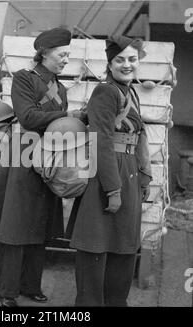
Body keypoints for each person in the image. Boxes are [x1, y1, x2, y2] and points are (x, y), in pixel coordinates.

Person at [0, 27, 86, 307]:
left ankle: (30, 286)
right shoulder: (24, 79)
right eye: (62, 54)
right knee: (15, 227)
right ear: (45, 54)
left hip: (50, 158)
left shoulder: (61, 88)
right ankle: (6, 292)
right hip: (24, 156)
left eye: (67, 54)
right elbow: (28, 118)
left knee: (39, 227)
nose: (66, 59)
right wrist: (68, 114)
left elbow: (57, 126)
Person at [69, 35, 152, 306]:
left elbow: (140, 135)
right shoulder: (106, 91)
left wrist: (144, 174)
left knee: (123, 245)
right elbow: (101, 141)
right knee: (96, 244)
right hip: (107, 176)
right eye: (120, 60)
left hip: (129, 172)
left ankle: (116, 302)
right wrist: (113, 189)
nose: (127, 65)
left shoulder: (131, 91)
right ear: (110, 62)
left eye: (132, 59)